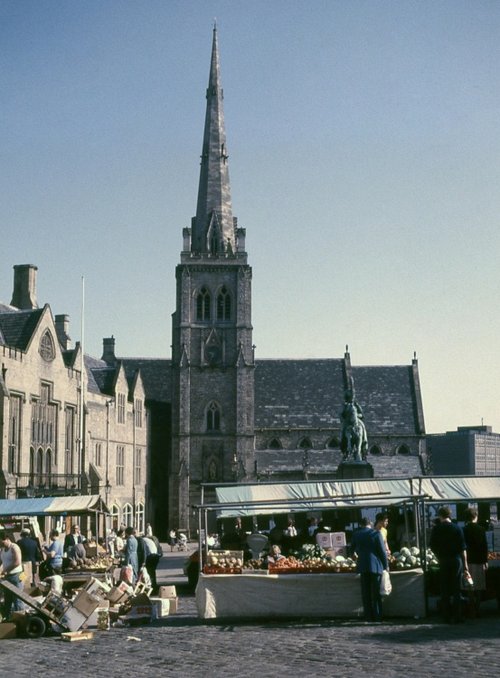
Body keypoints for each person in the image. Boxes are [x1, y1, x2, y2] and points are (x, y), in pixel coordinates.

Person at [430, 505, 470, 623]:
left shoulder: (436, 529)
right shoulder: (457, 528)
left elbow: (432, 546)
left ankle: (446, 616)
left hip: (443, 560)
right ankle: (457, 616)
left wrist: (439, 556)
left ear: (440, 516)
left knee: (445, 589)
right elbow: (463, 549)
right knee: (456, 589)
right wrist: (466, 566)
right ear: (450, 515)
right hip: (456, 560)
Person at [351, 517, 388, 622]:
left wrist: (355, 555)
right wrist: (386, 565)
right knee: (376, 593)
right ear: (370, 524)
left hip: (362, 565)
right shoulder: (376, 534)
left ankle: (368, 616)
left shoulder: (356, 534)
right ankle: (377, 615)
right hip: (375, 566)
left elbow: (351, 550)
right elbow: (382, 551)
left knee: (365, 593)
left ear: (360, 524)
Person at [463, 507, 488, 617]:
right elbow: (484, 547)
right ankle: (477, 608)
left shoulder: (464, 530)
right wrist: (485, 561)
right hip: (479, 561)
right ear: (476, 516)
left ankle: (471, 608)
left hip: (468, 562)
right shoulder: (481, 530)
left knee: (470, 587)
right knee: (479, 587)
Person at [0, 531, 24, 620]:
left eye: (0, 541)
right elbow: (2, 562)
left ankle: (21, 619)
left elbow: (17, 562)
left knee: (18, 599)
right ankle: (8, 619)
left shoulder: (14, 547)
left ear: (6, 539)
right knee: (8, 599)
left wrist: (5, 570)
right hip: (7, 577)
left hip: (17, 576)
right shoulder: (2, 549)